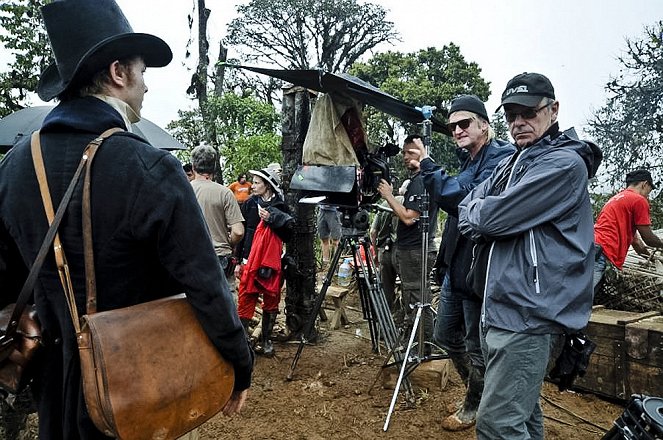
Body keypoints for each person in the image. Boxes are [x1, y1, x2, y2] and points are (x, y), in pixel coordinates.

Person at [0, 1, 253, 437]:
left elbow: (4, 281)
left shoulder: (15, 165)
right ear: (118, 73)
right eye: (143, 72)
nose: (147, 87)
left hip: (56, 394)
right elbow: (205, 283)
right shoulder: (149, 166)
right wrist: (239, 362)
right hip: (139, 389)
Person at [458, 72, 602, 439]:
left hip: (529, 316)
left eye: (528, 113)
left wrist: (484, 212)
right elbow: (466, 208)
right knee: (524, 417)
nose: (518, 123)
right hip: (503, 308)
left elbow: (489, 216)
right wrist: (483, 211)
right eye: (511, 116)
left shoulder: (563, 166)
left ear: (553, 110)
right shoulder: (515, 162)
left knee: (497, 425)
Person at [413, 95, 515, 430]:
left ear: (484, 124)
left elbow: (462, 198)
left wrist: (428, 165)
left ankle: (476, 404)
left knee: (475, 344)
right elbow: (455, 213)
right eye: (453, 125)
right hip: (457, 266)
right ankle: (477, 390)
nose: (456, 130)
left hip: (479, 271)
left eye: (464, 123)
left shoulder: (499, 157)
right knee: (445, 334)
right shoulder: (471, 159)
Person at [377, 135, 438, 344]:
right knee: (413, 297)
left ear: (423, 152)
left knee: (416, 299)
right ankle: (418, 342)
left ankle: (423, 346)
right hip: (411, 249)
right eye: (404, 152)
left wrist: (388, 196)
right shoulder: (419, 180)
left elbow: (409, 217)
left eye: (410, 152)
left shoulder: (420, 181)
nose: (405, 157)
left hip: (415, 250)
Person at [235, 167, 294, 356]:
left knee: (271, 298)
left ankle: (266, 339)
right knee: (246, 296)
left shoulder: (280, 205)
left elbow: (288, 234)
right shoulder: (250, 203)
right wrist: (237, 260)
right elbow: (243, 231)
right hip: (249, 258)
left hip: (271, 261)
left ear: (267, 185)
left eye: (258, 182)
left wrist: (272, 219)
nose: (253, 185)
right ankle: (244, 339)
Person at [190, 144, 245, 301]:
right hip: (221, 257)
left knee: (196, 302)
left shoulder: (183, 190)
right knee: (226, 299)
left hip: (192, 257)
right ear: (214, 167)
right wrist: (229, 242)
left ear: (193, 166)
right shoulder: (224, 193)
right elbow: (238, 231)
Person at [594, 169, 663, 292]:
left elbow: (637, 243)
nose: (648, 195)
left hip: (594, 248)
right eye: (649, 190)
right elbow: (648, 238)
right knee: (580, 300)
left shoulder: (617, 199)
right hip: (603, 251)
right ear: (644, 184)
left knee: (586, 296)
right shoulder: (638, 200)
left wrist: (653, 258)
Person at [369, 196, 402, 312]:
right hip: (401, 251)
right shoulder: (405, 204)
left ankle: (384, 314)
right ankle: (405, 318)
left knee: (385, 287)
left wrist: (375, 251)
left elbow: (373, 232)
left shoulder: (384, 203)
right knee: (407, 286)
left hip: (383, 250)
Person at [317, 205, 342, 269]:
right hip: (322, 209)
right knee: (324, 238)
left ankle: (336, 265)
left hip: (334, 210)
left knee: (336, 241)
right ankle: (326, 264)